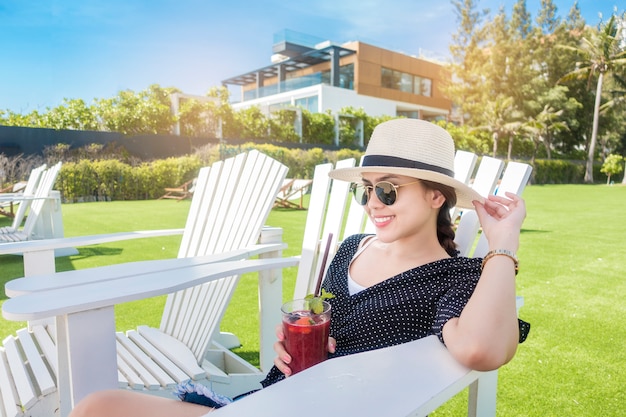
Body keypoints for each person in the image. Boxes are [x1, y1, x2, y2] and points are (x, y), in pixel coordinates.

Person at [69, 119, 528, 417]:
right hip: (271, 397)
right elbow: (320, 318)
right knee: (96, 406)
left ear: (436, 195)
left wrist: (502, 244)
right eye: (365, 190)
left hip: (317, 409)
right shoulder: (351, 248)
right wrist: (296, 341)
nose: (372, 204)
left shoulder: (458, 277)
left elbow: (481, 351)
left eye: (387, 191)